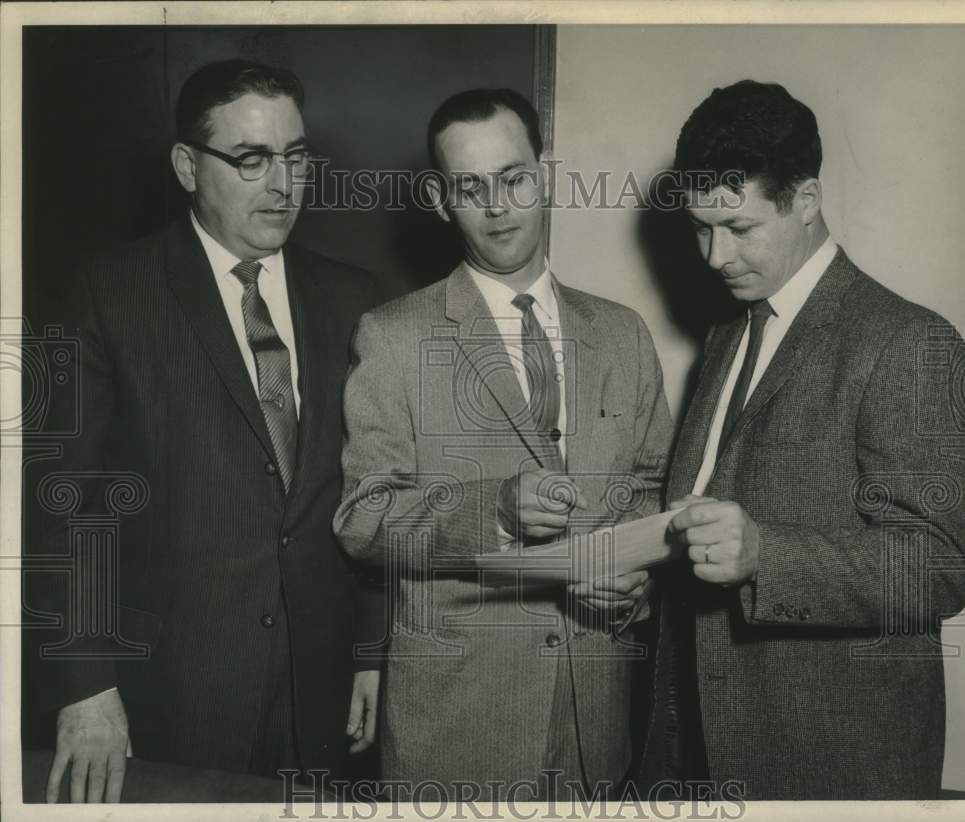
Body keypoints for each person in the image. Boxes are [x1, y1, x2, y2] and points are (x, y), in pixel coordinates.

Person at [29, 59, 384, 802]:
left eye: (295, 156)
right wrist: (85, 687)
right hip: (173, 692)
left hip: (321, 692)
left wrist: (369, 653)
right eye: (252, 159)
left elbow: (377, 492)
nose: (283, 183)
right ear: (188, 166)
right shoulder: (107, 293)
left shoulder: (355, 299)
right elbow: (68, 510)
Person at [333, 88, 673, 800]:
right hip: (460, 730)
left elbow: (649, 491)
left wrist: (633, 587)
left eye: (515, 178)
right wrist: (495, 510)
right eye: (470, 187)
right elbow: (364, 519)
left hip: (597, 722)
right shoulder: (394, 335)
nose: (498, 206)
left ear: (546, 173)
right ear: (438, 198)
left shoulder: (622, 333)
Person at [638, 80, 965, 800]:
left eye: (739, 228)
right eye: (699, 228)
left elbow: (938, 566)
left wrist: (767, 555)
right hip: (697, 757)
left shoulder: (911, 342)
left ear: (808, 200)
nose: (712, 256)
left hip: (834, 768)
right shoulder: (729, 332)